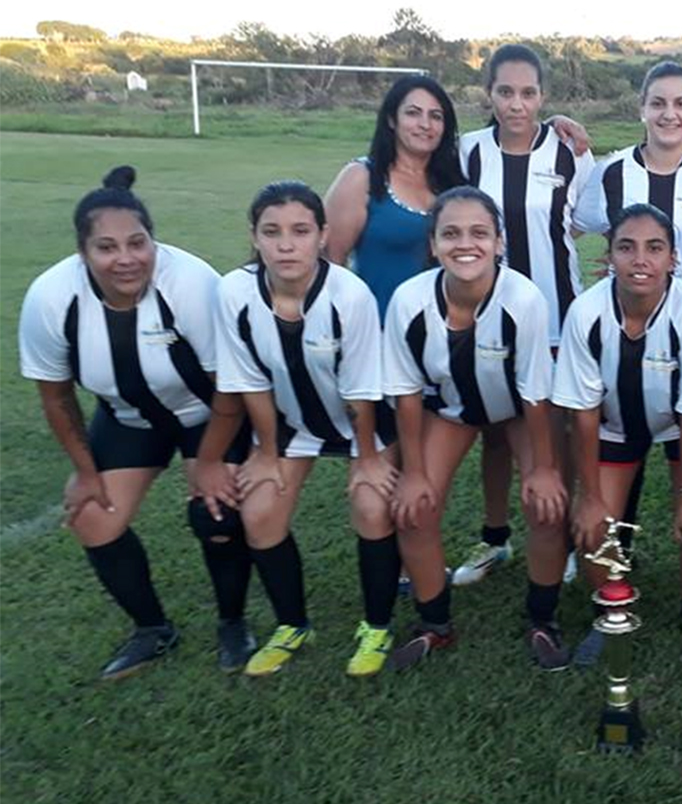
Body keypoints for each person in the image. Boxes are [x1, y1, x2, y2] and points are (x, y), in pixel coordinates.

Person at [18, 166, 254, 679]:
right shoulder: (50, 299)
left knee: (217, 513)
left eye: (137, 243)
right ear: (83, 252)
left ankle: (233, 624)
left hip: (207, 414)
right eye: (106, 248)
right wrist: (85, 470)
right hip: (128, 418)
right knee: (92, 517)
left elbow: (230, 388)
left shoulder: (192, 284)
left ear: (153, 241)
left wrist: (209, 460)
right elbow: (57, 398)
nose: (125, 259)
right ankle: (152, 629)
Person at [200, 181, 399, 678]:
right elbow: (250, 383)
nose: (286, 244)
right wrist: (266, 452)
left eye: (300, 231)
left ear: (322, 235)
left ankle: (376, 626)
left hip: (362, 419)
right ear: (255, 236)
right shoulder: (233, 292)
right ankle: (292, 625)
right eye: (272, 232)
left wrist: (368, 459)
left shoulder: (349, 294)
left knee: (372, 504)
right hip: (290, 422)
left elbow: (361, 390)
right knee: (260, 512)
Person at [383, 186, 570, 671]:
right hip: (451, 409)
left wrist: (545, 470)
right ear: (433, 245)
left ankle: (542, 619)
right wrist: (414, 472)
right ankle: (434, 625)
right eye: (451, 233)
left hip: (518, 409)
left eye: (479, 233)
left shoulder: (523, 299)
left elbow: (534, 393)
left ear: (500, 243)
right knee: (415, 509)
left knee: (547, 507)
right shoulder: (408, 301)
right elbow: (405, 393)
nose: (465, 244)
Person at [553, 204, 682, 669]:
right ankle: (612, 611)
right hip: (613, 422)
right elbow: (582, 413)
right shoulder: (586, 313)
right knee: (592, 528)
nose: (640, 260)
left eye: (654, 248)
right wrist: (588, 496)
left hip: (681, 425)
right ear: (609, 256)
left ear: (673, 259)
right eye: (626, 247)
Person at [575, 60, 682, 558]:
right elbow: (572, 226)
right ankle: (615, 544)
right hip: (628, 327)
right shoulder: (612, 172)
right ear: (641, 109)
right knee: (625, 432)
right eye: (658, 103)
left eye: (681, 103)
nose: (669, 114)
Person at [455, 44, 595, 588]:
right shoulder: (467, 153)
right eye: (506, 91)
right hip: (486, 319)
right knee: (494, 431)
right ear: (489, 93)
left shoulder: (569, 152)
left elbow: (581, 220)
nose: (517, 104)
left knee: (552, 434)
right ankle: (496, 540)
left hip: (558, 317)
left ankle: (558, 539)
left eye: (529, 92)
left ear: (543, 96)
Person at [324, 74, 467, 321]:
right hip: (378, 332)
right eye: (413, 113)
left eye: (436, 116)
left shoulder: (454, 180)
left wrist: (553, 123)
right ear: (392, 119)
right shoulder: (361, 177)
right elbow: (330, 264)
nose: (425, 124)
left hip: (445, 335)